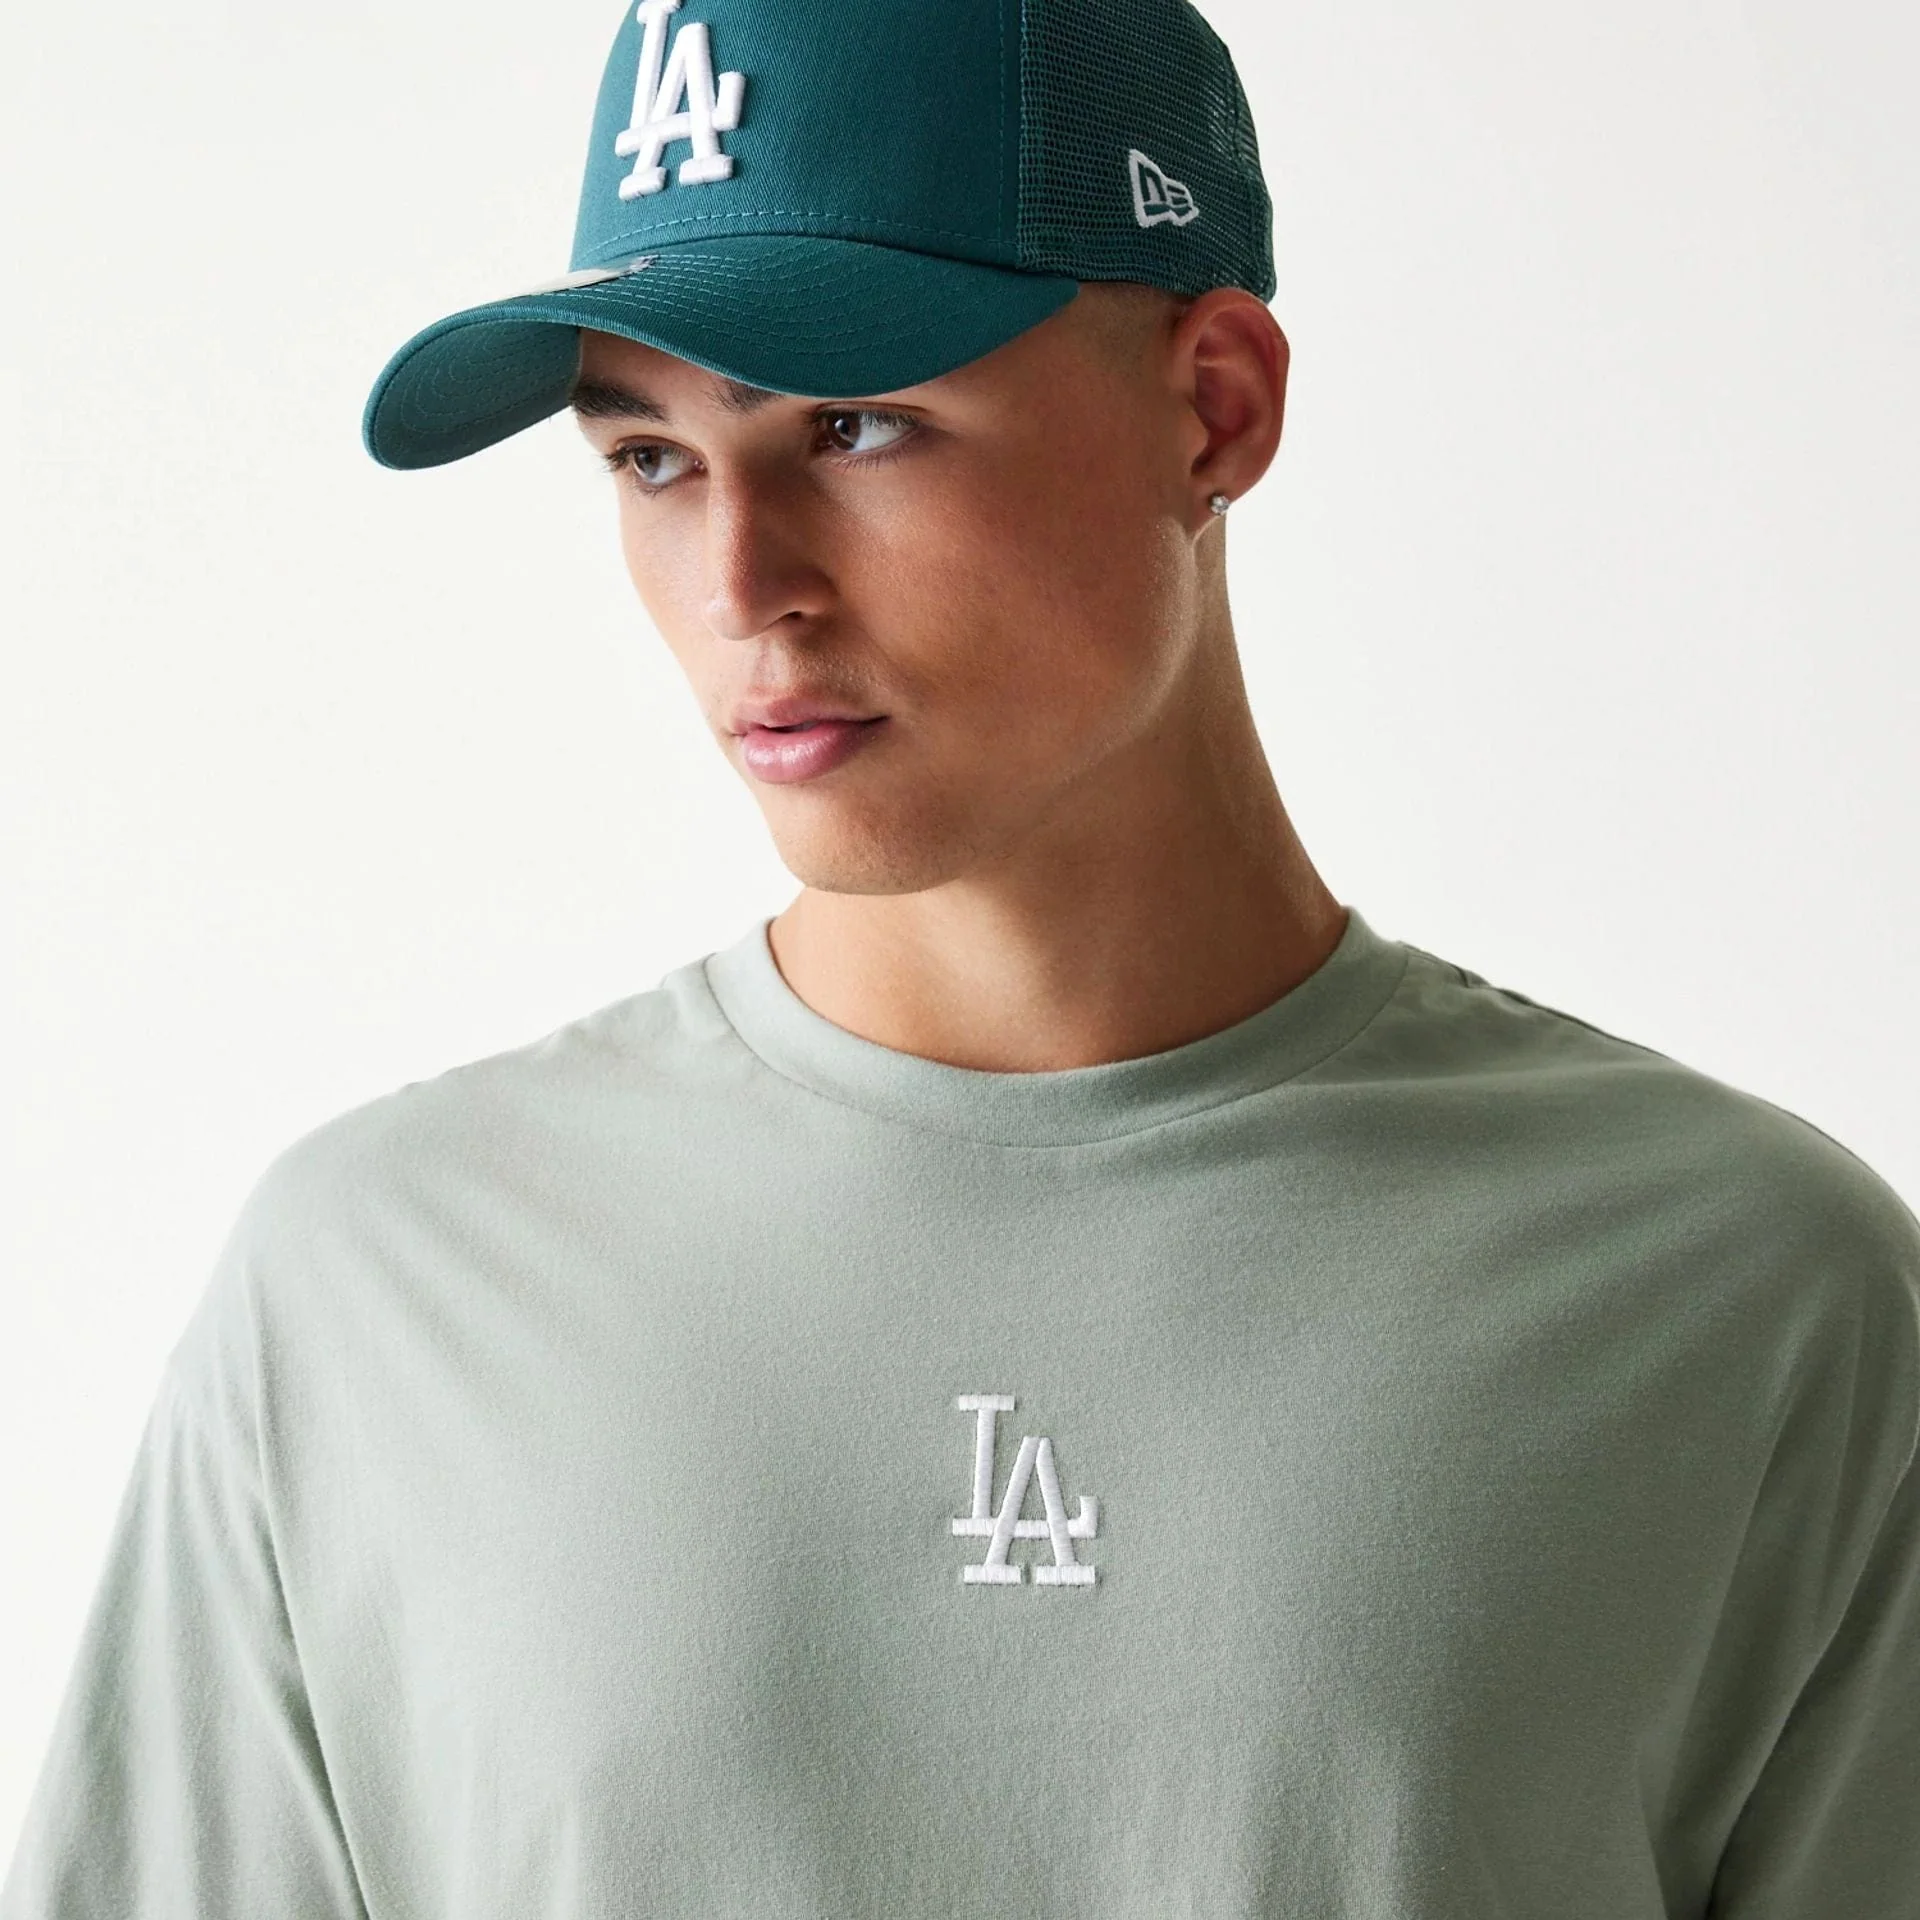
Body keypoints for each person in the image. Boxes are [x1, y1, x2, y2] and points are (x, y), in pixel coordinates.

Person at [6, 0, 1917, 1912]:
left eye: (856, 424)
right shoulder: (378, 1296)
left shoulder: (1746, 1297)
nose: (742, 586)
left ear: (1215, 407)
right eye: (652, 457)